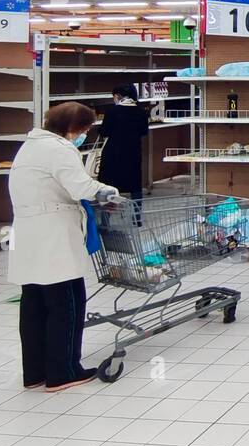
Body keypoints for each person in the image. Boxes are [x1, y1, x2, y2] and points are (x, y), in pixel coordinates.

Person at [8, 102, 119, 392]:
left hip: (28, 231)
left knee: (33, 303)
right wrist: (106, 191)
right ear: (73, 128)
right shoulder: (59, 149)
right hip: (53, 232)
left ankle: (35, 372)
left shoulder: (30, 146)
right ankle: (64, 372)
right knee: (66, 303)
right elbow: (80, 186)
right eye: (85, 129)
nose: (85, 135)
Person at [94, 84, 149, 203]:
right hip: (133, 152)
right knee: (135, 185)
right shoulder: (141, 111)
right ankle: (137, 218)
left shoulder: (112, 111)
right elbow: (144, 131)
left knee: (108, 184)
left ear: (118, 96)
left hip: (113, 152)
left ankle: (105, 218)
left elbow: (104, 131)